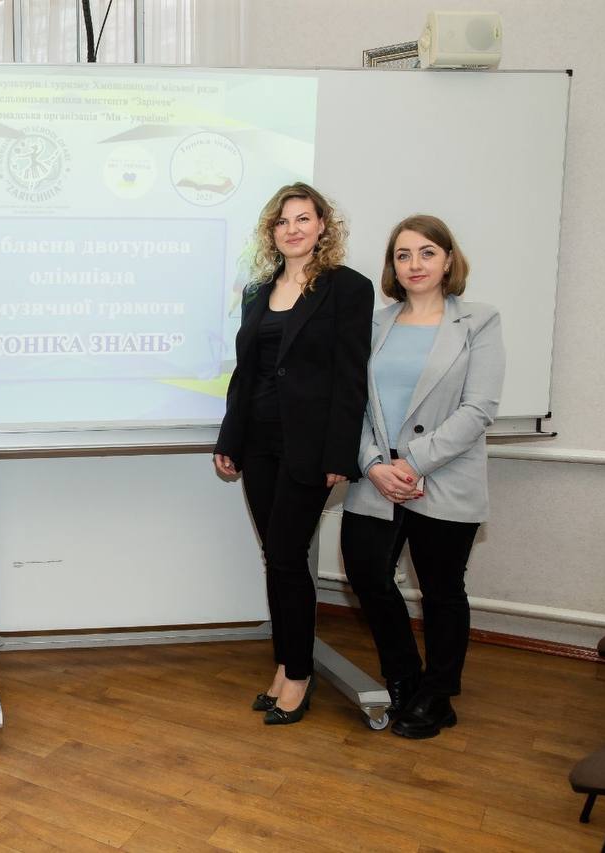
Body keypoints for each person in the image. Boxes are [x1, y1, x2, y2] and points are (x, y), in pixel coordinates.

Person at [213, 182, 374, 725]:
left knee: (286, 554)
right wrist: (229, 438)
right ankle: (285, 665)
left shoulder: (347, 288)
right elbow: (246, 373)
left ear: (323, 225)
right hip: (257, 440)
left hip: (309, 446)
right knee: (276, 557)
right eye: (282, 222)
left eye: (303, 218)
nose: (292, 229)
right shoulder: (258, 291)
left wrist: (339, 454)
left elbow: (351, 378)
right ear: (272, 232)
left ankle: (299, 674)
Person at [341, 215, 504, 739]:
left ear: (448, 259)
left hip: (443, 474)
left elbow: (479, 408)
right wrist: (373, 464)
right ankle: (404, 676)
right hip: (375, 476)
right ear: (392, 266)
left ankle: (438, 694)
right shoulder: (373, 324)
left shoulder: (479, 321)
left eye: (427, 252)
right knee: (367, 574)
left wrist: (412, 463)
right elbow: (351, 404)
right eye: (403, 254)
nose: (415, 264)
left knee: (441, 590)